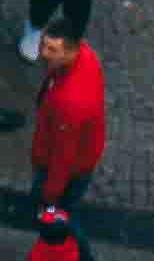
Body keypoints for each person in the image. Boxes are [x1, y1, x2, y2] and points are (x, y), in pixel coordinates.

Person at [25, 23, 109, 226]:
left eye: (52, 50)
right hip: (79, 157)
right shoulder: (86, 56)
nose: (43, 53)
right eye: (44, 45)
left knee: (56, 222)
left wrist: (49, 195)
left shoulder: (70, 103)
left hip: (63, 172)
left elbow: (63, 158)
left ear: (70, 51)